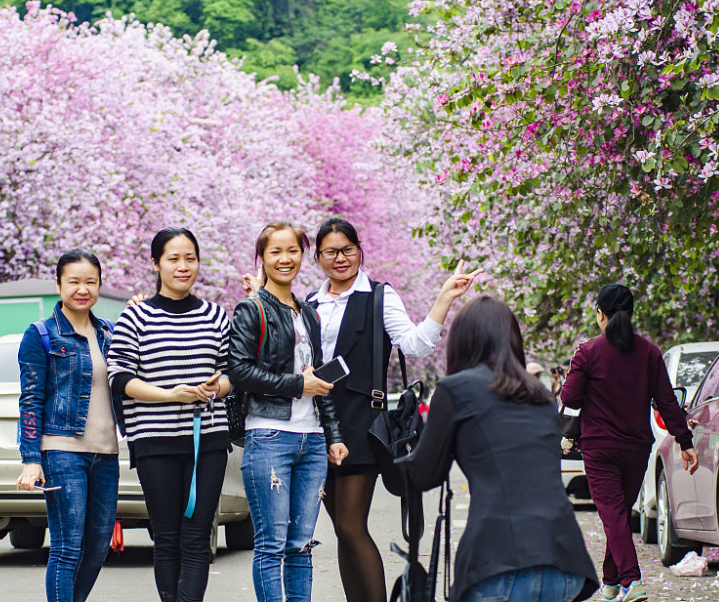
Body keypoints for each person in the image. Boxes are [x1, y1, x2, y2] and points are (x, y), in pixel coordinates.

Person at [294, 217, 479, 602]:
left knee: (349, 523)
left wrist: (444, 298)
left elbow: (415, 345)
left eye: (348, 249)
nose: (341, 258)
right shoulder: (308, 303)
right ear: (318, 257)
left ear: (360, 250)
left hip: (361, 422)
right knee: (342, 530)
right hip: (316, 421)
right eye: (331, 251)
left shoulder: (379, 296)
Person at [405, 297, 599, 602]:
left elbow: (423, 475)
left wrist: (390, 447)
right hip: (565, 562)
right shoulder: (543, 395)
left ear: (462, 341)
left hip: (499, 561)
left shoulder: (454, 390)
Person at [107, 228, 232, 602]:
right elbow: (120, 376)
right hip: (155, 442)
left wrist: (217, 386)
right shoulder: (135, 317)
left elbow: (231, 373)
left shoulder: (216, 315)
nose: (183, 266)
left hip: (207, 440)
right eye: (173, 258)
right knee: (167, 538)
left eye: (190, 258)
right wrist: (169, 396)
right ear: (156, 264)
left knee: (196, 538)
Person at [228, 221, 348, 602]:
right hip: (269, 435)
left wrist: (334, 435)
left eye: (292, 250)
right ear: (262, 257)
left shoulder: (308, 313)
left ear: (302, 255)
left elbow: (321, 377)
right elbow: (240, 370)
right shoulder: (251, 309)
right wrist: (299, 385)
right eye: (275, 251)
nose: (285, 259)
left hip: (312, 441)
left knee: (301, 544)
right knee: (271, 543)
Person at [560, 284, 698, 602]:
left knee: (614, 515)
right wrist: (685, 441)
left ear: (600, 315)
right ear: (632, 315)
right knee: (619, 513)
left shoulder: (587, 352)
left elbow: (569, 397)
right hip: (637, 448)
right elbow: (666, 400)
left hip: (599, 449)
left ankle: (632, 582)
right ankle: (610, 583)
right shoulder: (649, 353)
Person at [16, 249, 120, 602]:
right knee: (67, 548)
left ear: (100, 285)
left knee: (98, 548)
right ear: (58, 284)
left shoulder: (109, 334)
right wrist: (31, 458)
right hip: (62, 451)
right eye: (73, 281)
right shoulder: (42, 335)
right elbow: (30, 400)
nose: (82, 289)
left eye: (90, 281)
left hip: (106, 455)